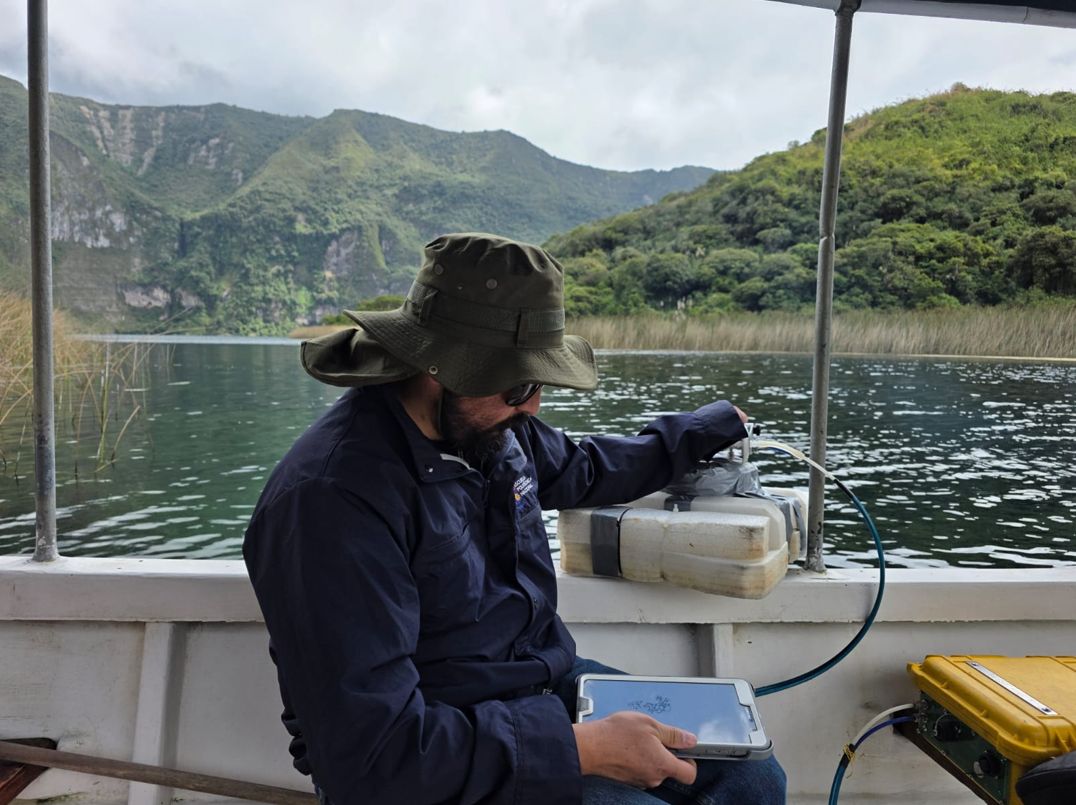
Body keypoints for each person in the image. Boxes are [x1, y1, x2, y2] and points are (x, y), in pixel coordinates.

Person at [243, 232, 787, 805]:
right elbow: (372, 756)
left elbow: (584, 467)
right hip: (436, 749)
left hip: (539, 684)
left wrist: (702, 429)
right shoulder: (333, 501)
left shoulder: (492, 431)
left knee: (753, 777)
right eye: (520, 386)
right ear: (439, 369)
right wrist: (581, 749)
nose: (533, 406)